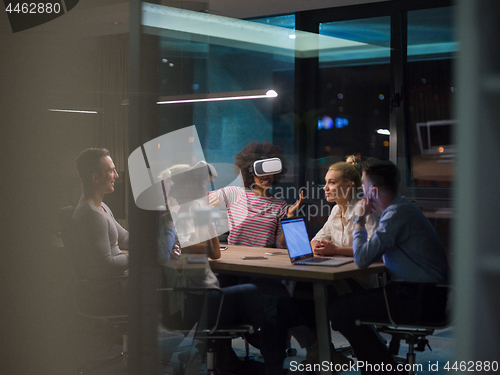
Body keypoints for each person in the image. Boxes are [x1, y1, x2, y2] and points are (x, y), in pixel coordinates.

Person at [159, 162, 316, 375]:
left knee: (270, 301)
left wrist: (289, 216)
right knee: (274, 298)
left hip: (205, 291)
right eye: (199, 184)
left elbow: (280, 244)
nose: (205, 188)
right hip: (200, 295)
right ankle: (304, 350)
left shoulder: (176, 214)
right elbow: (213, 250)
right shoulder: (214, 202)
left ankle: (226, 356)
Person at [328, 158, 449, 374]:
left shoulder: (396, 215)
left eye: (363, 186)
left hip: (419, 298)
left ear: (372, 191)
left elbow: (362, 258)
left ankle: (385, 370)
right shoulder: (402, 208)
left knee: (340, 310)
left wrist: (359, 221)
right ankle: (383, 368)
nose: (361, 192)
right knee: (346, 306)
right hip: (424, 294)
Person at [67, 148, 129, 314]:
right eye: (111, 171)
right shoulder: (92, 216)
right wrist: (139, 256)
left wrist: (152, 240)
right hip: (112, 290)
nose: (116, 175)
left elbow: (125, 238)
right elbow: (106, 265)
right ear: (95, 178)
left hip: (119, 281)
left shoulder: (101, 208)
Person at [209, 141, 303, 249]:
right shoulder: (236, 193)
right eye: (260, 171)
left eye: (269, 171)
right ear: (250, 173)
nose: (265, 176)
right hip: (235, 257)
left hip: (263, 258)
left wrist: (290, 217)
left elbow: (280, 245)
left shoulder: (280, 205)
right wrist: (214, 198)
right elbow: (208, 196)